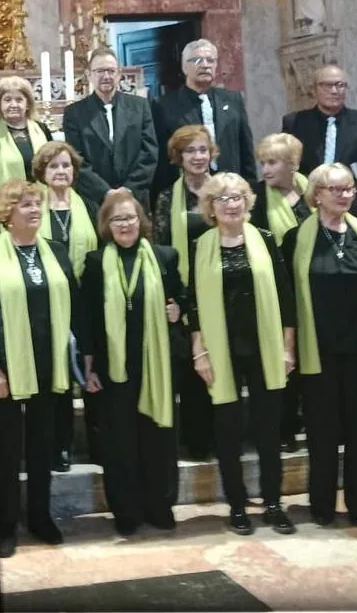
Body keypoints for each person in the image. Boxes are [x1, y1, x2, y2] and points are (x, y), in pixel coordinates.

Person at [281, 164, 357, 529]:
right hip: (320, 352)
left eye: (348, 189)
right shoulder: (296, 239)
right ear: (316, 194)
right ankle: (322, 505)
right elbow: (287, 301)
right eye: (336, 189)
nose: (345, 195)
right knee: (322, 433)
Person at [0, 179, 78, 558]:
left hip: (49, 365)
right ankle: (9, 524)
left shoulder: (57, 252)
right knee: (6, 449)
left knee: (42, 445)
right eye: (25, 205)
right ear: (7, 213)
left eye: (37, 204)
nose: (34, 210)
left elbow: (73, 304)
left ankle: (40, 516)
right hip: (8, 367)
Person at [189, 173, 297, 536]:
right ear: (211, 207)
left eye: (237, 197)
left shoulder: (265, 240)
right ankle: (236, 504)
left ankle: (273, 502)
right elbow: (193, 304)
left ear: (247, 202)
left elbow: (286, 298)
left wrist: (286, 347)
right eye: (222, 198)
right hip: (222, 349)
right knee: (228, 430)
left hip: (264, 347)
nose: (231, 203)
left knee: (269, 428)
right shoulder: (201, 244)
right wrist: (199, 351)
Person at [79, 192, 186, 535]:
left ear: (142, 221)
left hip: (157, 364)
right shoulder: (95, 262)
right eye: (117, 220)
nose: (125, 225)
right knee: (119, 442)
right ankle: (126, 511)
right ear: (106, 226)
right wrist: (90, 367)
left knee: (158, 437)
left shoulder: (164, 257)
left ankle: (159, 505)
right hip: (114, 368)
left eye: (130, 218)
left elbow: (183, 298)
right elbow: (88, 319)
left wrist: (178, 310)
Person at [32, 141, 100, 471]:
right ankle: (58, 445)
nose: (61, 171)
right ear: (42, 173)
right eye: (54, 166)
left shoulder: (88, 205)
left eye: (66, 166)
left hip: (85, 299)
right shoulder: (31, 208)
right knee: (54, 374)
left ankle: (94, 441)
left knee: (88, 369)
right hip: (46, 302)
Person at [152, 124, 215, 459]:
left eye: (203, 149)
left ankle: (223, 435)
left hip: (221, 288)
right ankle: (198, 440)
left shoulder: (225, 191)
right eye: (191, 150)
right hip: (185, 291)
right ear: (179, 157)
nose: (198, 157)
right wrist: (171, 298)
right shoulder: (166, 198)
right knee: (191, 367)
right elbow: (160, 251)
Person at [248, 132, 309, 452]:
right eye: (262, 163)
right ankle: (284, 426)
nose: (266, 170)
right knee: (283, 361)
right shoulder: (256, 198)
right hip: (277, 290)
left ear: (292, 164)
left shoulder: (313, 191)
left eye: (272, 163)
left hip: (313, 289)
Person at [153, 39, 256, 192]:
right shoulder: (165, 105)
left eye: (210, 60)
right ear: (184, 67)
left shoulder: (232, 100)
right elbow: (161, 157)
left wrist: (250, 186)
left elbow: (246, 149)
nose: (205, 65)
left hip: (231, 188)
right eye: (197, 60)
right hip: (187, 190)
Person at [62, 50, 158, 213]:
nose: (106, 76)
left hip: (135, 198)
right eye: (100, 71)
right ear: (89, 74)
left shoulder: (139, 106)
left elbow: (149, 152)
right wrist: (105, 192)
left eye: (111, 71)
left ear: (119, 74)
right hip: (95, 200)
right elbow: (76, 159)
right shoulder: (74, 113)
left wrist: (129, 189)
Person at [282, 64, 357, 220]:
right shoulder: (295, 123)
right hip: (307, 210)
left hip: (354, 209)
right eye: (327, 85)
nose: (334, 91)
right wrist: (305, 204)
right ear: (314, 90)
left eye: (340, 85)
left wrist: (349, 205)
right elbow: (288, 168)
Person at [0, 76, 55, 199]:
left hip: (42, 203)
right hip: (4, 208)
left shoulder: (42, 130)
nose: (13, 104)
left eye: (19, 99)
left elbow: (53, 166)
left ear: (27, 104)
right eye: (7, 99)